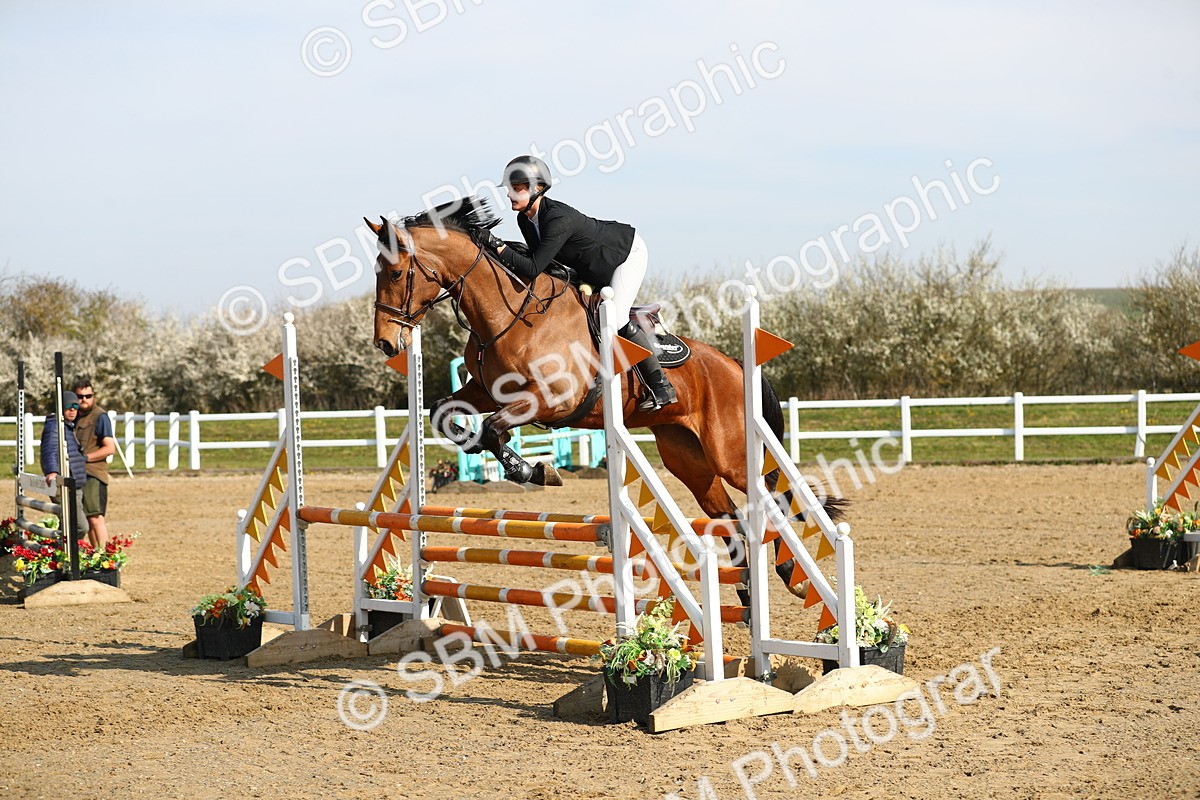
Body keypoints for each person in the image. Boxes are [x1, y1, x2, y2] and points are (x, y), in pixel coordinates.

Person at [479, 155, 678, 411]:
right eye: (509, 189)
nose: (509, 194)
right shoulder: (525, 220)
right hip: (589, 266)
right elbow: (540, 264)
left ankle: (662, 386)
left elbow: (533, 268)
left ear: (537, 188)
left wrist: (497, 245)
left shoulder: (557, 218)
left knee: (615, 317)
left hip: (624, 254)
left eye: (516, 188)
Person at [72, 377, 116, 551]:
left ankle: (105, 557)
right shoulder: (73, 416)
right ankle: (95, 554)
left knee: (95, 517)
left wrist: (85, 458)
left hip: (93, 474)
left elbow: (109, 448)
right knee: (86, 518)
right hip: (78, 474)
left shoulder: (100, 416)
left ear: (93, 396)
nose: (84, 399)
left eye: (88, 396)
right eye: (80, 396)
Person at [40, 390, 89, 537]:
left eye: (76, 406)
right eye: (68, 406)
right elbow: (50, 449)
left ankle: (60, 550)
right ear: (60, 407)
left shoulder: (67, 425)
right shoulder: (55, 426)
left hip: (74, 483)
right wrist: (52, 471)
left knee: (67, 524)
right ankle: (64, 549)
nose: (73, 409)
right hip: (64, 484)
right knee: (80, 526)